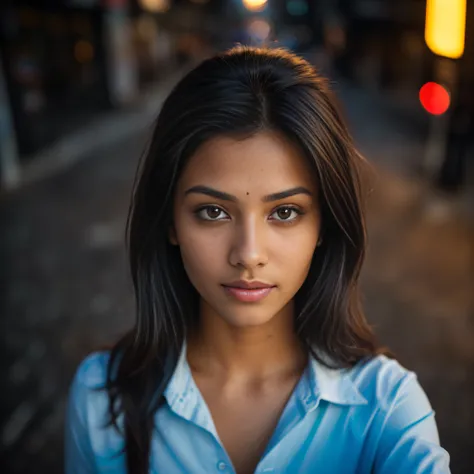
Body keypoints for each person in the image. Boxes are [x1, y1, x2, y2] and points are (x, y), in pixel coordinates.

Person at [65, 46, 450, 474]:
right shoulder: (103, 397)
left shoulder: (387, 411)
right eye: (213, 212)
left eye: (285, 213)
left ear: (324, 225)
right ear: (170, 221)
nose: (248, 254)